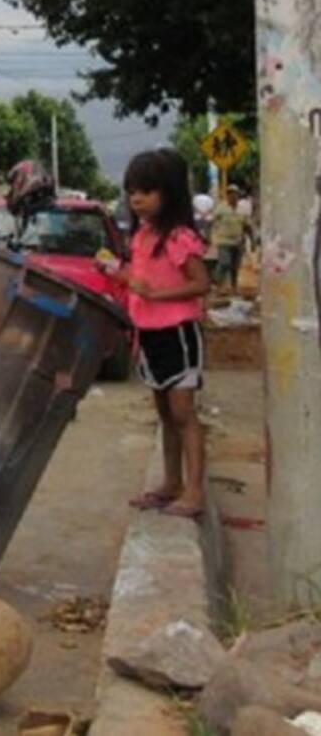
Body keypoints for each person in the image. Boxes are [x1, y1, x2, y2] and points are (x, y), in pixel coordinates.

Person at [104, 149, 211, 520]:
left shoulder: (179, 238)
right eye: (132, 191)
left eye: (146, 191)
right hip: (149, 334)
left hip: (178, 333)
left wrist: (155, 294)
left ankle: (195, 491)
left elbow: (200, 283)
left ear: (169, 193)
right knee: (165, 412)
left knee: (184, 412)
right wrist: (123, 280)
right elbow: (140, 282)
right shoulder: (142, 237)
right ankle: (172, 482)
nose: (137, 199)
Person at [211, 184, 254, 293]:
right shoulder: (221, 208)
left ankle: (233, 286)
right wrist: (209, 237)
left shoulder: (242, 209)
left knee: (235, 266)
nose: (232, 196)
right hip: (224, 240)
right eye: (229, 194)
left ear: (238, 195)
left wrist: (252, 241)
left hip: (238, 241)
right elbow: (212, 222)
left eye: (234, 193)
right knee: (225, 262)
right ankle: (215, 282)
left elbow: (247, 226)